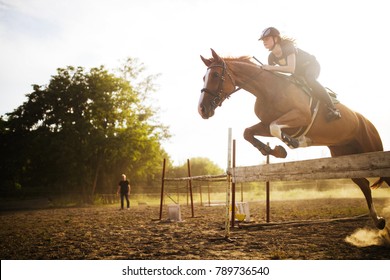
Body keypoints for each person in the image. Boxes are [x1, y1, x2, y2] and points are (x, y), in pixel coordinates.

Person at [258, 27, 341, 121]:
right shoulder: (271, 57)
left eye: (267, 39)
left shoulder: (288, 47)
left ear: (276, 39)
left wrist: (270, 67)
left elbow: (290, 69)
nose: (264, 42)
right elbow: (272, 75)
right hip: (299, 73)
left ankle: (334, 109)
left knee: (310, 79)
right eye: (263, 40)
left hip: (311, 66)